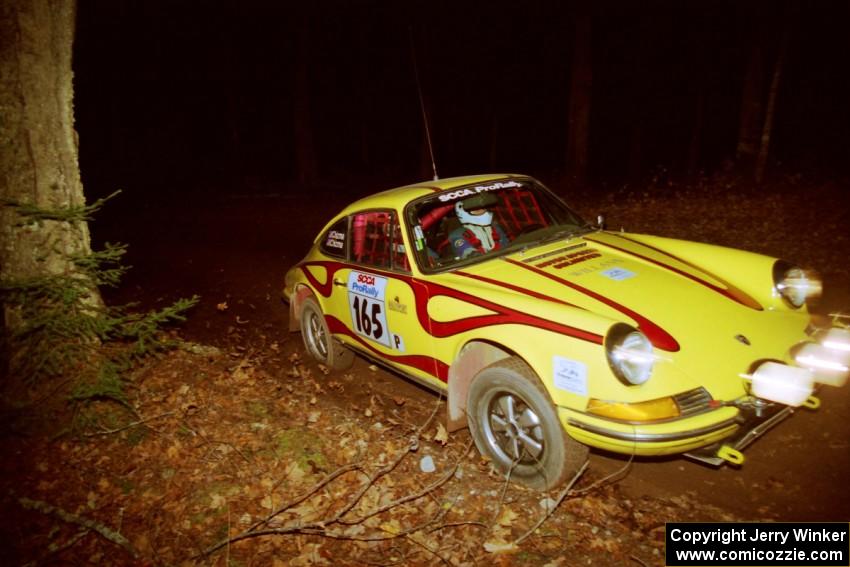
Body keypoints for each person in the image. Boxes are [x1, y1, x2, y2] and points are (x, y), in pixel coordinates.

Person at [449, 193, 509, 259]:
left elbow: (506, 246)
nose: (482, 211)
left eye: (483, 208)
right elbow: (468, 253)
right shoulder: (458, 235)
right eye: (477, 210)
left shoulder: (494, 227)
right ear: (462, 212)